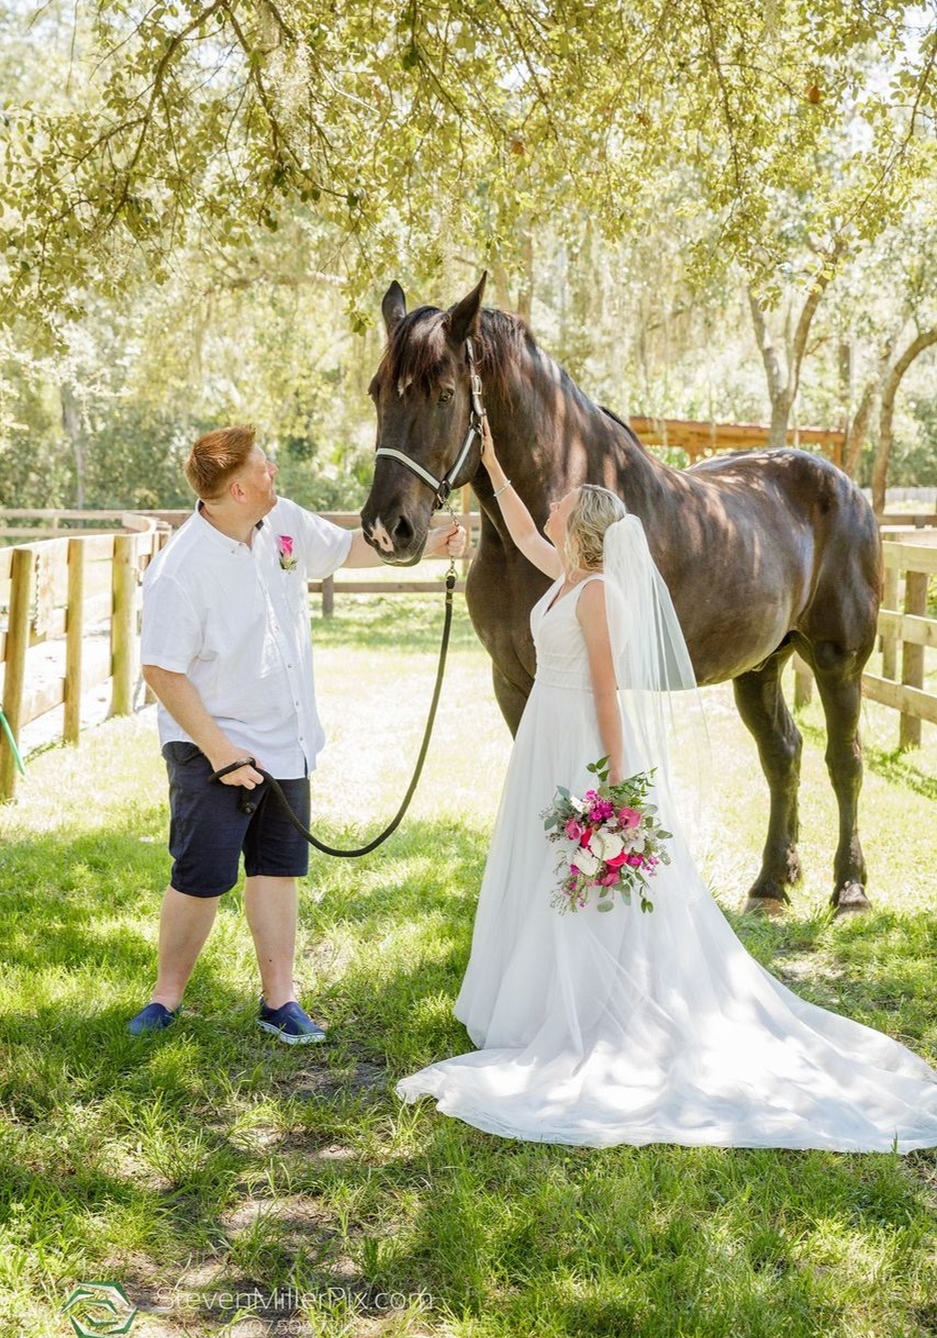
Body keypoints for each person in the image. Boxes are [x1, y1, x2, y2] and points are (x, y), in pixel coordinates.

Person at [396, 422, 937, 1150]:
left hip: (582, 741)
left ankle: (598, 1002)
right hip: (547, 745)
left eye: (558, 509)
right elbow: (520, 528)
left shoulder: (592, 599)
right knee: (549, 866)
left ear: (580, 532)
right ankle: (539, 994)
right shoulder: (563, 576)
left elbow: (609, 694)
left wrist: (618, 787)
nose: (547, 512)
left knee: (590, 875)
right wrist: (489, 460)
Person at [129, 424, 466, 1043]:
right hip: (213, 745)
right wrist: (222, 752)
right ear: (235, 490)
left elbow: (346, 548)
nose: (273, 470)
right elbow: (161, 670)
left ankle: (279, 1000)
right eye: (263, 466)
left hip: (287, 739)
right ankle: (165, 998)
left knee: (277, 870)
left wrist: (434, 542)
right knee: (200, 876)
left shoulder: (281, 521)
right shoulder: (181, 569)